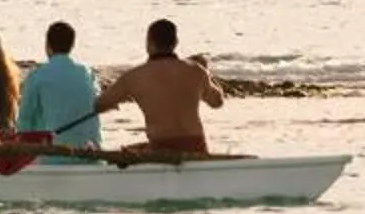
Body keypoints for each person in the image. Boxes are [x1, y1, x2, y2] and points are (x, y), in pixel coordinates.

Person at [95, 18, 226, 157]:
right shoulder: (196, 70)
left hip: (160, 147)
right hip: (196, 146)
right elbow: (217, 102)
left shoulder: (133, 76)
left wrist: (120, 97)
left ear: (148, 43)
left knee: (124, 153)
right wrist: (207, 73)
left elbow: (99, 105)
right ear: (175, 43)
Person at [14, 20, 103, 149]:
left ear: (47, 45)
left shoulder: (37, 76)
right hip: (91, 152)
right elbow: (97, 103)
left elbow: (24, 121)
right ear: (72, 46)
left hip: (53, 157)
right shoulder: (87, 73)